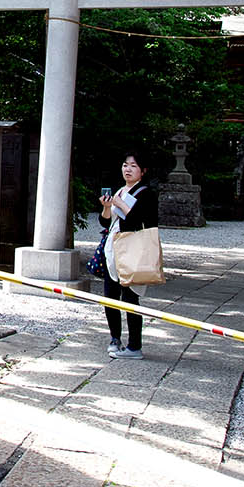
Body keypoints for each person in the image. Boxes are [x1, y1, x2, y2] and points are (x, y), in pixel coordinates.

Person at [99, 151, 159, 361]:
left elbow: (137, 220)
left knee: (131, 297)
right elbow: (107, 223)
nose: (128, 169)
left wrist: (120, 203)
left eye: (133, 166)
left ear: (142, 171)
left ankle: (135, 345)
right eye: (125, 165)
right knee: (110, 296)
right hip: (113, 250)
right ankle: (115, 338)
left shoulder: (146, 193)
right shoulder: (120, 191)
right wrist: (108, 207)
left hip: (132, 250)